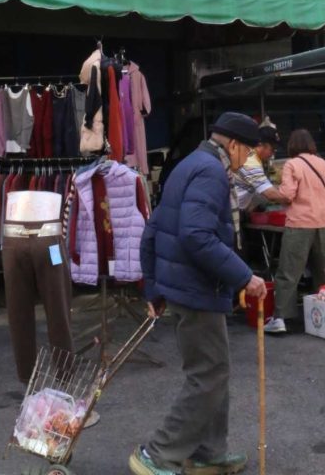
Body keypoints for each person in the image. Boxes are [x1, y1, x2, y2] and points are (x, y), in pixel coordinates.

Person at [131, 112, 267, 475]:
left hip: (185, 286)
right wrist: (244, 277)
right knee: (207, 375)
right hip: (196, 288)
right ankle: (158, 454)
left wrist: (154, 287)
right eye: (247, 152)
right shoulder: (210, 172)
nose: (246, 161)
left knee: (213, 372)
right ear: (233, 145)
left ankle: (209, 451)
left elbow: (154, 228)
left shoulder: (189, 163)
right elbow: (197, 236)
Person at [264, 128, 325, 334]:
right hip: (323, 222)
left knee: (289, 272)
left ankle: (280, 318)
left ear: (292, 145)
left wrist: (271, 194)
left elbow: (287, 194)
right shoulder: (323, 163)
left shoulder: (292, 164)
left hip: (299, 224)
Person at [233, 119, 289, 213]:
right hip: (231, 211)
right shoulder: (250, 162)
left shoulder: (252, 156)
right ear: (261, 145)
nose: (273, 153)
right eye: (272, 149)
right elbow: (270, 194)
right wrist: (292, 201)